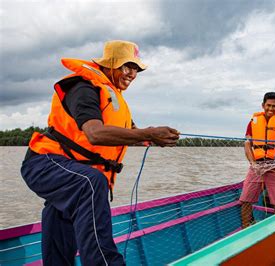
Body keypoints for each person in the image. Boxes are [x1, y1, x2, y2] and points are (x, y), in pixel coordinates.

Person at [21, 40, 180, 265]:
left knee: (63, 213)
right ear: (110, 64)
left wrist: (153, 137)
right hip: (44, 163)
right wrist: (150, 133)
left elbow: (133, 133)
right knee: (91, 183)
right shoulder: (84, 88)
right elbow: (94, 133)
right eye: (127, 66)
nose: (132, 74)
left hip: (70, 171)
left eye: (136, 69)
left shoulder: (112, 96)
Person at [239, 92, 275, 228]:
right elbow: (247, 144)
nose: (271, 109)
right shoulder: (253, 121)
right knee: (245, 199)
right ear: (263, 105)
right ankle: (245, 228)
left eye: (274, 106)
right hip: (257, 166)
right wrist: (253, 163)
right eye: (268, 105)